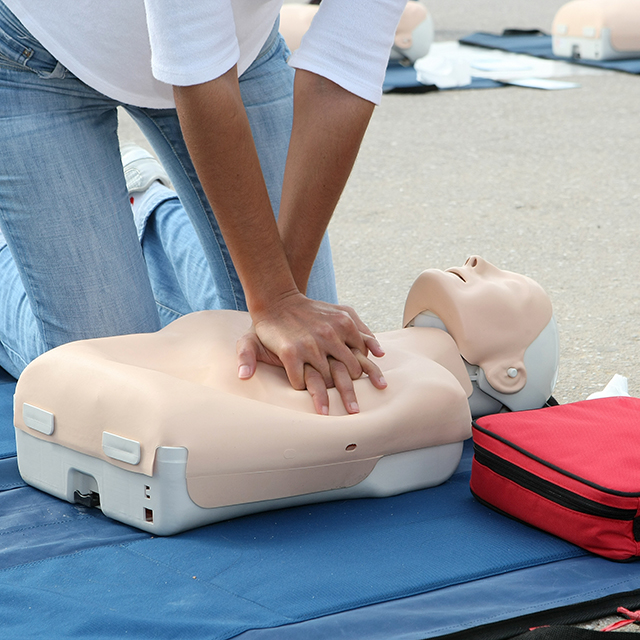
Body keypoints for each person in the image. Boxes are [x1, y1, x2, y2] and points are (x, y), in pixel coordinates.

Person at [0, 0, 407, 414]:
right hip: (38, 56)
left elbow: (342, 72)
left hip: (235, 53)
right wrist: (275, 299)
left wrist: (286, 298)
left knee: (293, 371)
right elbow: (197, 70)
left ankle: (147, 213)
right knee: (115, 387)